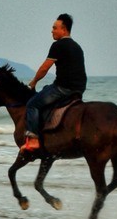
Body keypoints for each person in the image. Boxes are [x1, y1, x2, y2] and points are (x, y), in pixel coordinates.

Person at [22, 13, 86, 153]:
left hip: (63, 88)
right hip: (79, 89)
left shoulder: (58, 45)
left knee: (32, 104)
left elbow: (45, 68)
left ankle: (33, 139)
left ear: (64, 30)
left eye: (54, 28)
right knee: (46, 88)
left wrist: (33, 82)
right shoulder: (77, 47)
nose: (52, 31)